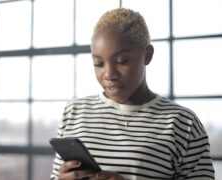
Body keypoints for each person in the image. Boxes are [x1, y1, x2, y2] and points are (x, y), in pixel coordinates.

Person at [50, 8, 215, 180]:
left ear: (147, 55)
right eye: (98, 63)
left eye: (122, 61)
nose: (109, 74)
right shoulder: (74, 111)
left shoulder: (183, 123)